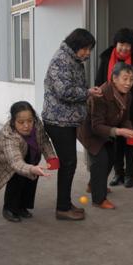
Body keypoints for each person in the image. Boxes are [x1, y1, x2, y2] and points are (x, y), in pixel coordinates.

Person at [42, 28, 102, 221]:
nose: (88, 53)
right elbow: (65, 91)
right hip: (58, 121)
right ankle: (62, 208)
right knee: (68, 163)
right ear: (76, 45)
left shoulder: (73, 60)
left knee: (69, 163)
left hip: (67, 120)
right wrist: (88, 93)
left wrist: (87, 93)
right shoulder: (61, 60)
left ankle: (66, 203)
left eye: (89, 49)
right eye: (85, 48)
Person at [0, 101, 57, 222]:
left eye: (29, 121)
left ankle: (22, 207)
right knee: (16, 178)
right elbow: (16, 162)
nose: (26, 125)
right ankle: (9, 209)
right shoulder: (9, 135)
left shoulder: (37, 124)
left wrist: (51, 157)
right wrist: (31, 168)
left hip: (29, 152)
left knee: (31, 178)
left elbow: (44, 141)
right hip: (2, 157)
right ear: (13, 121)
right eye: (21, 122)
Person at [95, 28, 133, 188]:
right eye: (122, 44)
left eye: (128, 45)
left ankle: (129, 175)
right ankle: (118, 173)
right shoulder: (106, 57)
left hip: (132, 107)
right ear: (116, 44)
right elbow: (99, 81)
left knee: (131, 140)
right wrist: (98, 102)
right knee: (115, 143)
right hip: (110, 108)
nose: (125, 48)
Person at [78, 62, 133, 209]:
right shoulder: (100, 94)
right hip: (89, 131)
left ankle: (93, 185)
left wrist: (130, 130)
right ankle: (99, 199)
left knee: (111, 158)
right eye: (125, 78)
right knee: (101, 159)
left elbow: (125, 119)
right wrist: (119, 132)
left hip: (107, 129)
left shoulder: (128, 95)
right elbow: (96, 126)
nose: (128, 83)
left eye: (131, 79)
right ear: (114, 78)